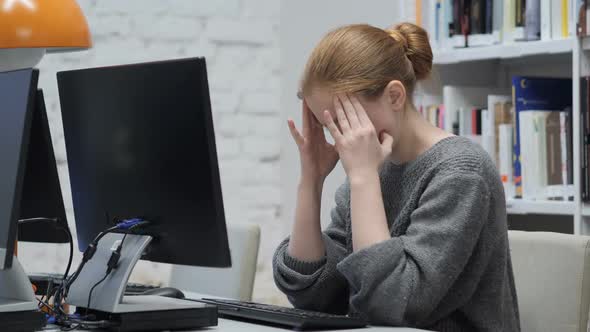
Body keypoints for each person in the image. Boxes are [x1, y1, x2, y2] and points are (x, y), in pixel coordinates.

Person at [272, 22, 520, 331]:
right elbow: (314, 293)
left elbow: (392, 306)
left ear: (394, 96)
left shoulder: (462, 171)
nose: (341, 138)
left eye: (345, 120)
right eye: (329, 126)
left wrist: (363, 178)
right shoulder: (371, 168)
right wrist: (311, 180)